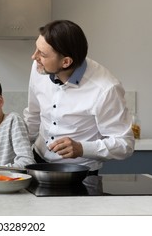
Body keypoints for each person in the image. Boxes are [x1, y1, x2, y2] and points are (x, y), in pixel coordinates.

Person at [23, 19, 135, 173]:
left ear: (66, 62)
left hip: (80, 172)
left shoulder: (106, 89)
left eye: (42, 53)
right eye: (36, 49)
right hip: (38, 162)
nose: (34, 57)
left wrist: (82, 148)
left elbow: (125, 144)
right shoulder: (39, 67)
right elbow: (33, 116)